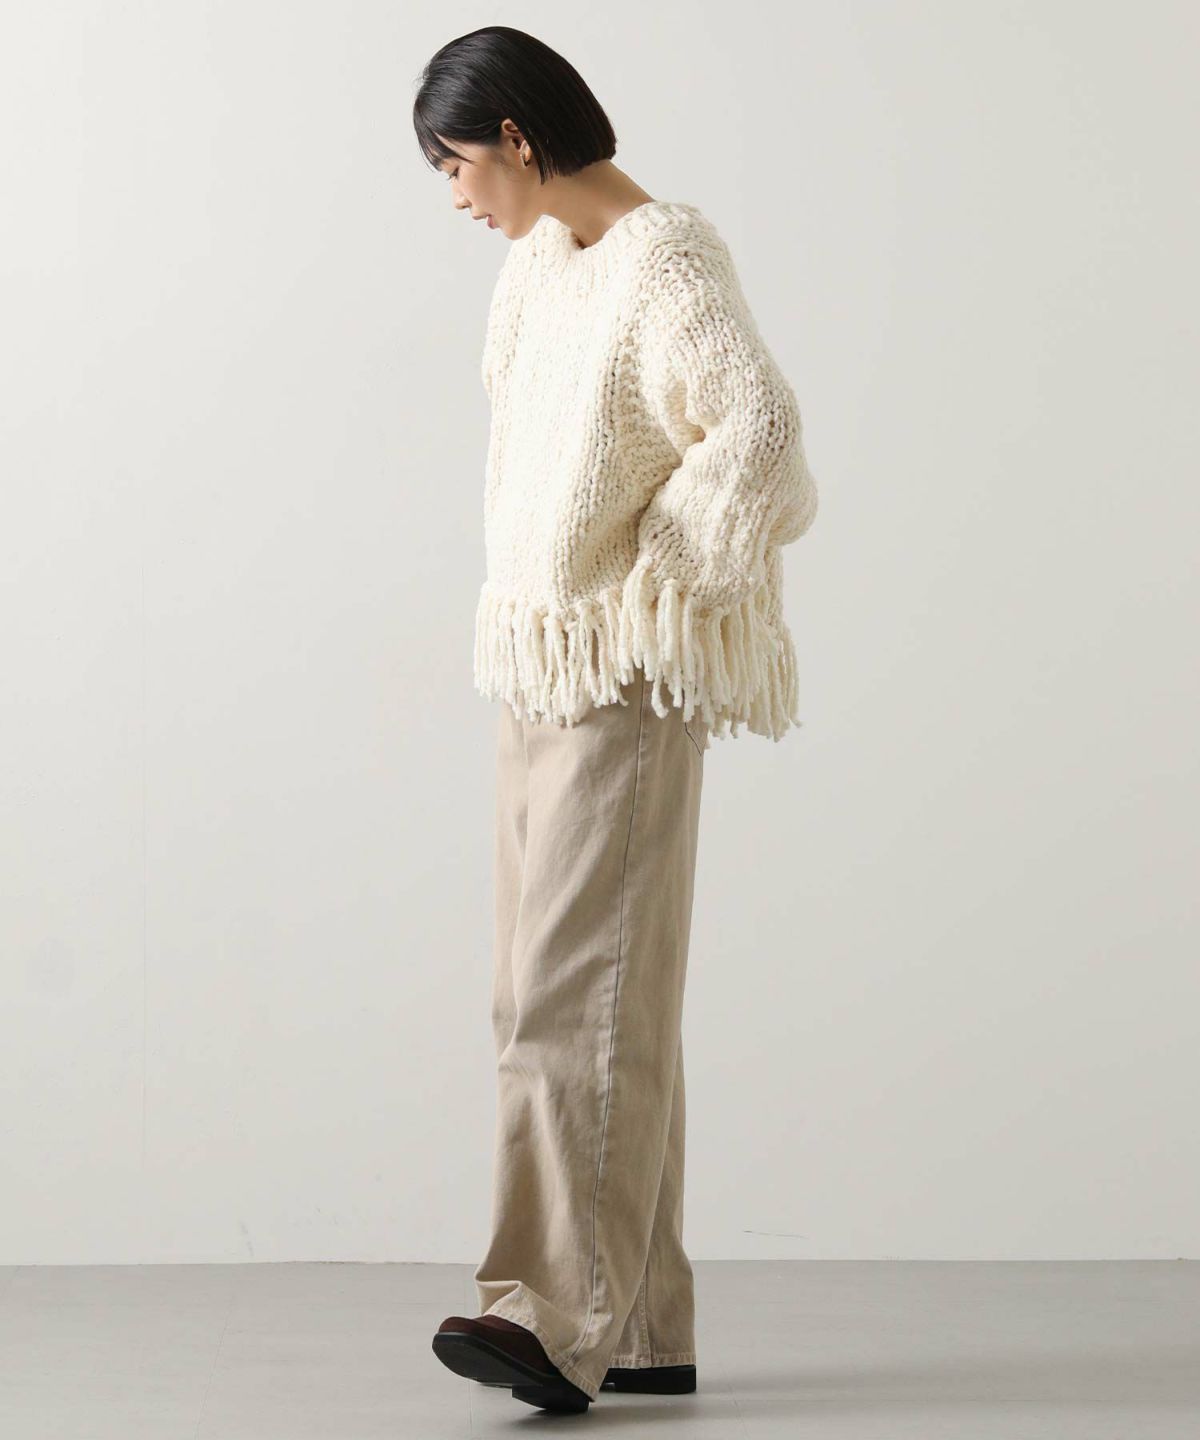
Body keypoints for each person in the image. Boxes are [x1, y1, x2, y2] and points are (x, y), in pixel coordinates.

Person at [413, 25, 818, 1415]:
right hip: (541, 664)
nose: (455, 195)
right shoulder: (539, 267)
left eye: (456, 164)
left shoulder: (668, 257)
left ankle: (545, 1314)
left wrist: (661, 587)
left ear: (518, 137)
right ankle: (643, 1326)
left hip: (620, 677)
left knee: (572, 998)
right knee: (574, 997)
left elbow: (763, 435)